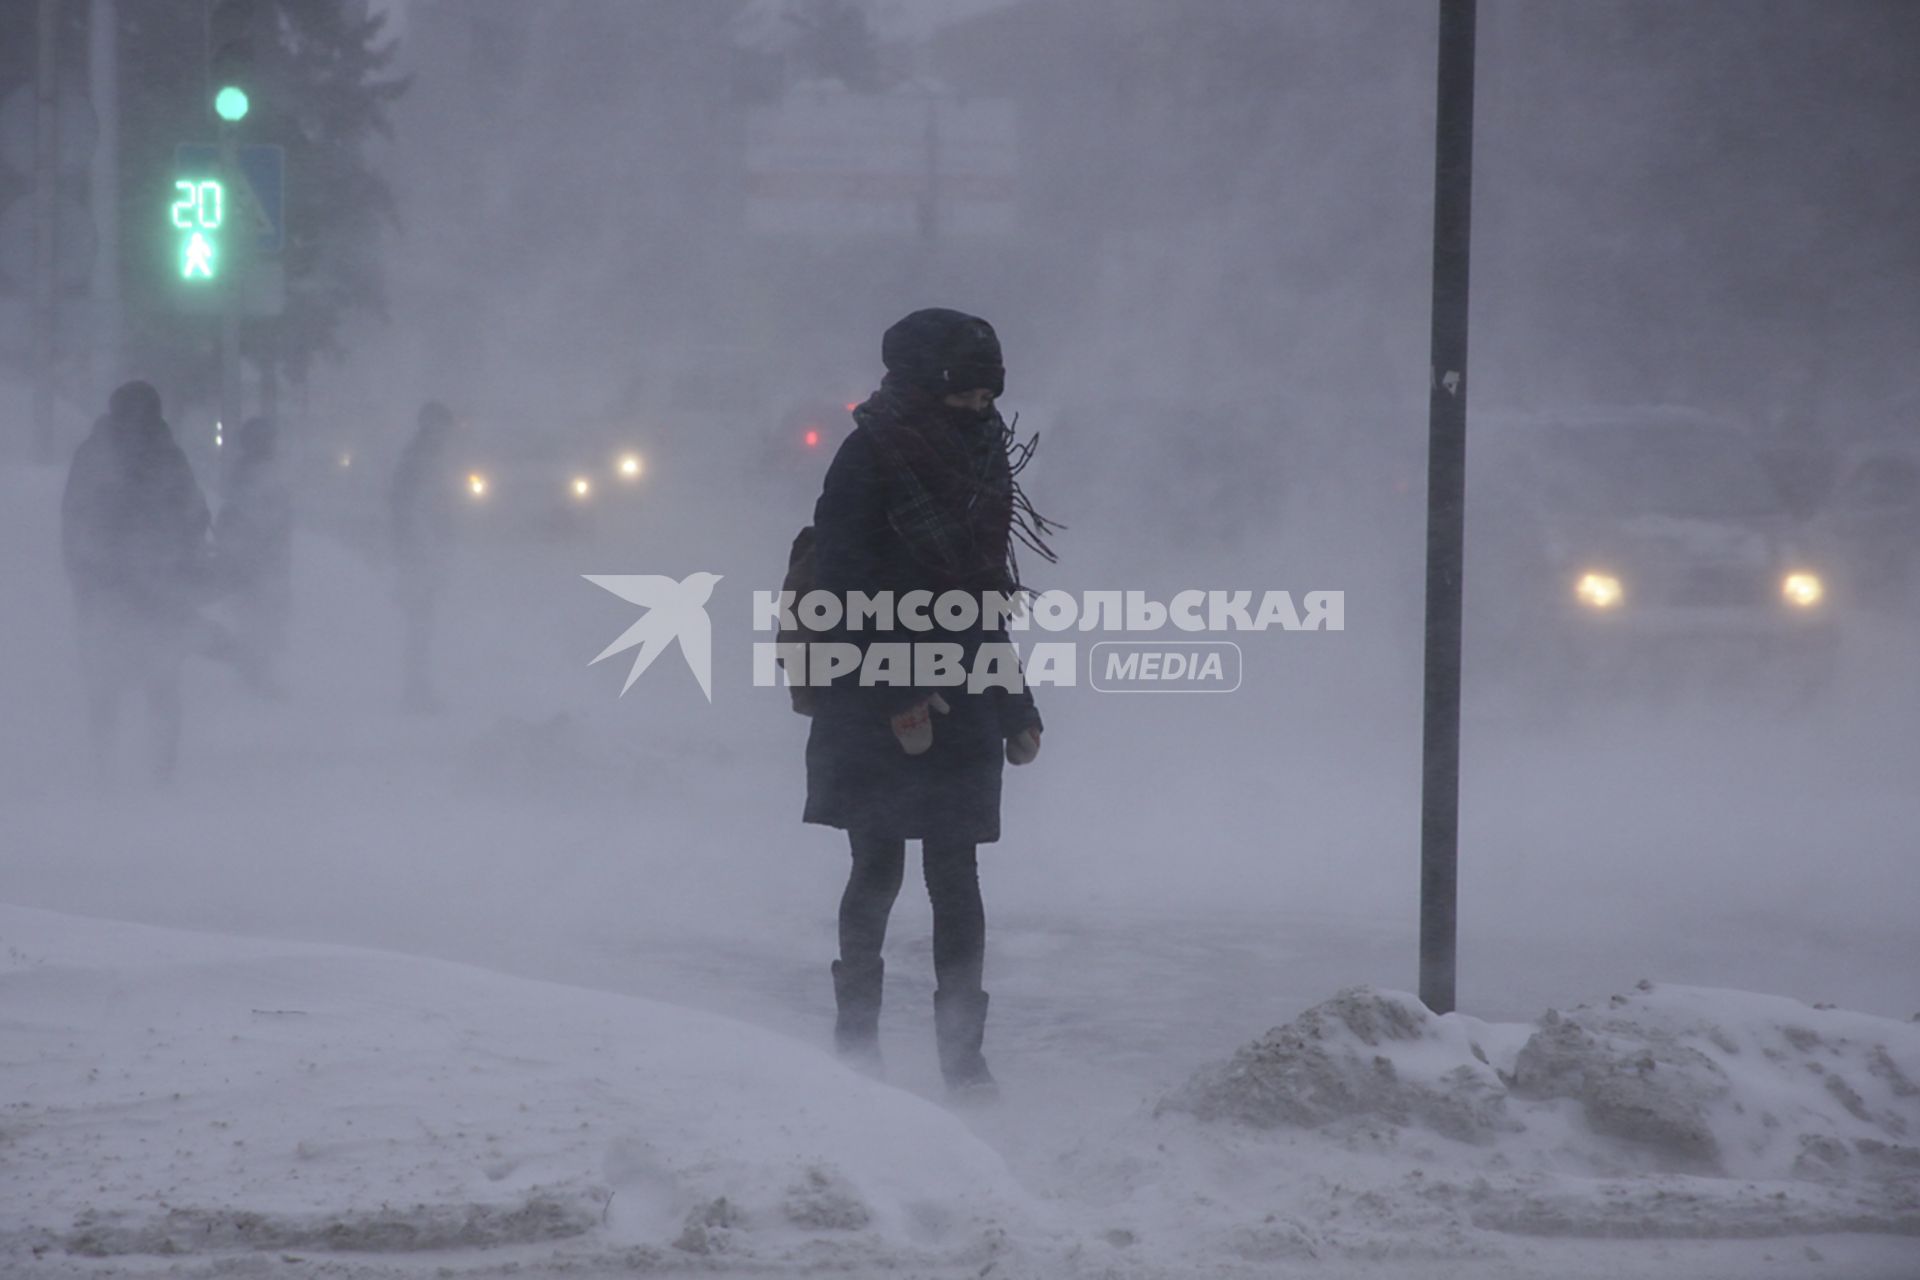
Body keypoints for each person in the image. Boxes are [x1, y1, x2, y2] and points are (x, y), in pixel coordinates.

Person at [803, 308, 1057, 1096]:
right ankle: (856, 1054)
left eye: (989, 397)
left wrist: (1015, 705)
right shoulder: (868, 455)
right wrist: (898, 692)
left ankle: (962, 1060)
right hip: (871, 694)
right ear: (919, 387)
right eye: (963, 397)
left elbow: (984, 598)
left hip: (967, 695)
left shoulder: (982, 457)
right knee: (875, 868)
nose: (980, 412)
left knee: (957, 877)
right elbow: (840, 591)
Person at [61, 380, 216, 782]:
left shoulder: (101, 456)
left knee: (125, 686)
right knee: (146, 684)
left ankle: (128, 771)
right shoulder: (164, 457)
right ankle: (136, 771)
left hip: (122, 590)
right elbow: (197, 516)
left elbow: (73, 522)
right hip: (137, 589)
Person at [389, 401, 460, 712]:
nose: (446, 434)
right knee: (419, 624)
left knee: (422, 625)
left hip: (423, 550)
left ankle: (418, 687)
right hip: (418, 552)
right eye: (443, 427)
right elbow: (411, 508)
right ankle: (415, 690)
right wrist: (426, 546)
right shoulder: (419, 459)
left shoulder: (424, 456)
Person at [215, 417, 293, 693]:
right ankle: (256, 674)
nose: (272, 444)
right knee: (259, 619)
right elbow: (256, 515)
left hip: (259, 557)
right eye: (267, 439)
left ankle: (256, 671)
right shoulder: (254, 473)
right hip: (255, 558)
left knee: (262, 618)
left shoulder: (253, 471)